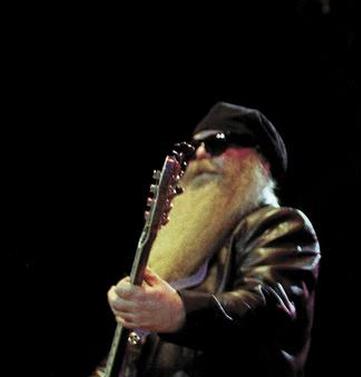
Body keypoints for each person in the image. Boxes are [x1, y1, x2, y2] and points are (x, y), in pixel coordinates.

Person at [102, 102, 320, 377]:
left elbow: (270, 308)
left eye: (217, 142)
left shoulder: (280, 225)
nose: (202, 153)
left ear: (262, 162)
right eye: (195, 147)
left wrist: (181, 312)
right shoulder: (182, 242)